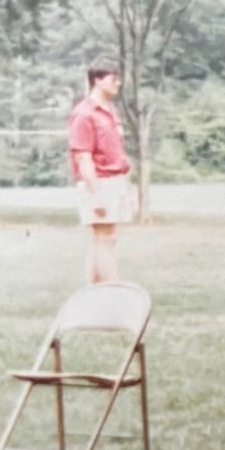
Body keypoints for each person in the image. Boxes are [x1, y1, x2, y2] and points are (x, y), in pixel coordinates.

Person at [66, 62, 134, 284]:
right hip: (98, 182)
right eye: (113, 79)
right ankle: (115, 292)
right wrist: (96, 196)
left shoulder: (109, 111)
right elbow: (83, 157)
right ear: (97, 80)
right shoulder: (84, 114)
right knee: (104, 238)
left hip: (114, 180)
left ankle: (92, 294)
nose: (118, 83)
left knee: (104, 240)